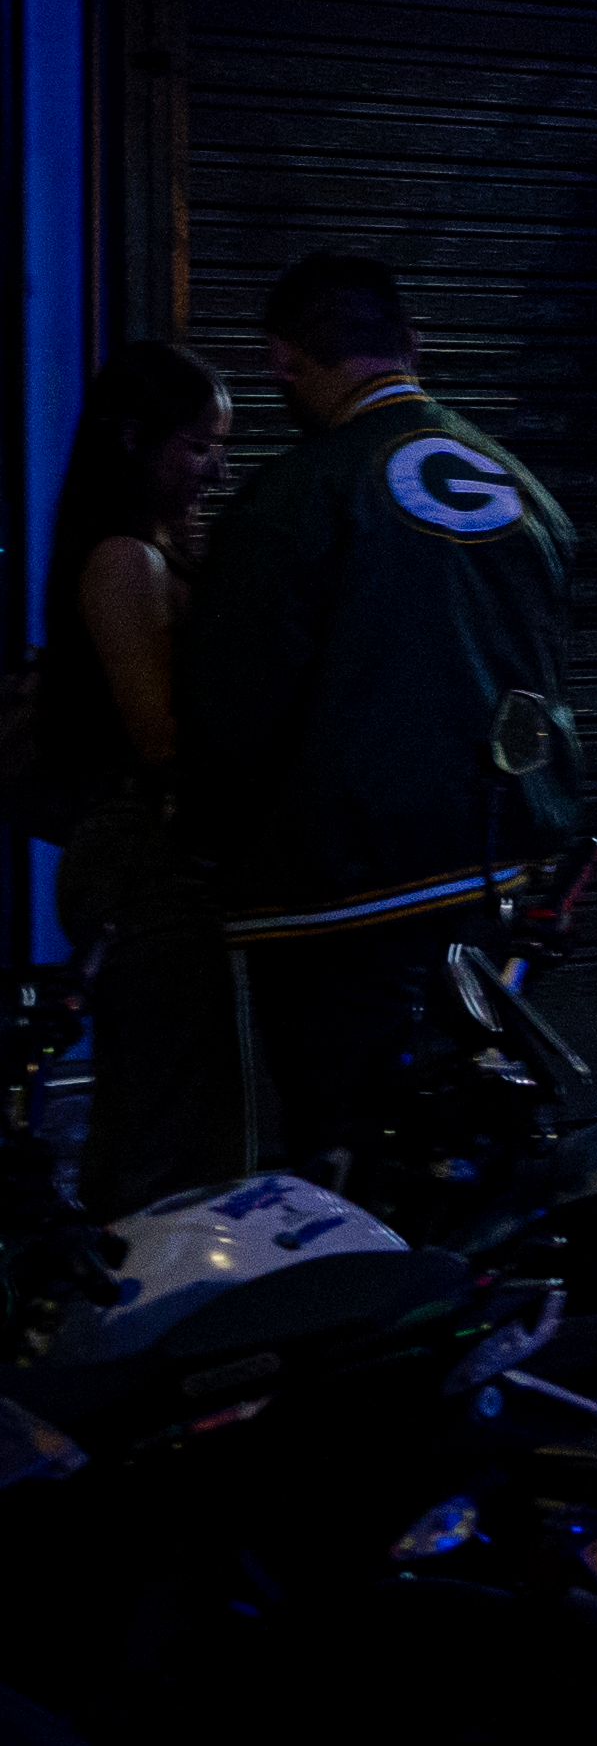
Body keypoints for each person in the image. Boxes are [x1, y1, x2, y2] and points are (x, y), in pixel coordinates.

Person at [174, 253, 585, 1187]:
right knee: (471, 1142)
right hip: (491, 889)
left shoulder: (288, 504)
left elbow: (233, 720)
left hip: (338, 909)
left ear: (281, 361)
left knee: (350, 1165)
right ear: (414, 346)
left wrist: (200, 844)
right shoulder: (525, 494)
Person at [47, 342, 233, 1209]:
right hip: (139, 858)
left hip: (141, 856)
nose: (214, 467)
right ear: (132, 440)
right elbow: (156, 733)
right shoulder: (123, 558)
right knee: (167, 1123)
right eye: (196, 445)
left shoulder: (153, 550)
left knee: (151, 1109)